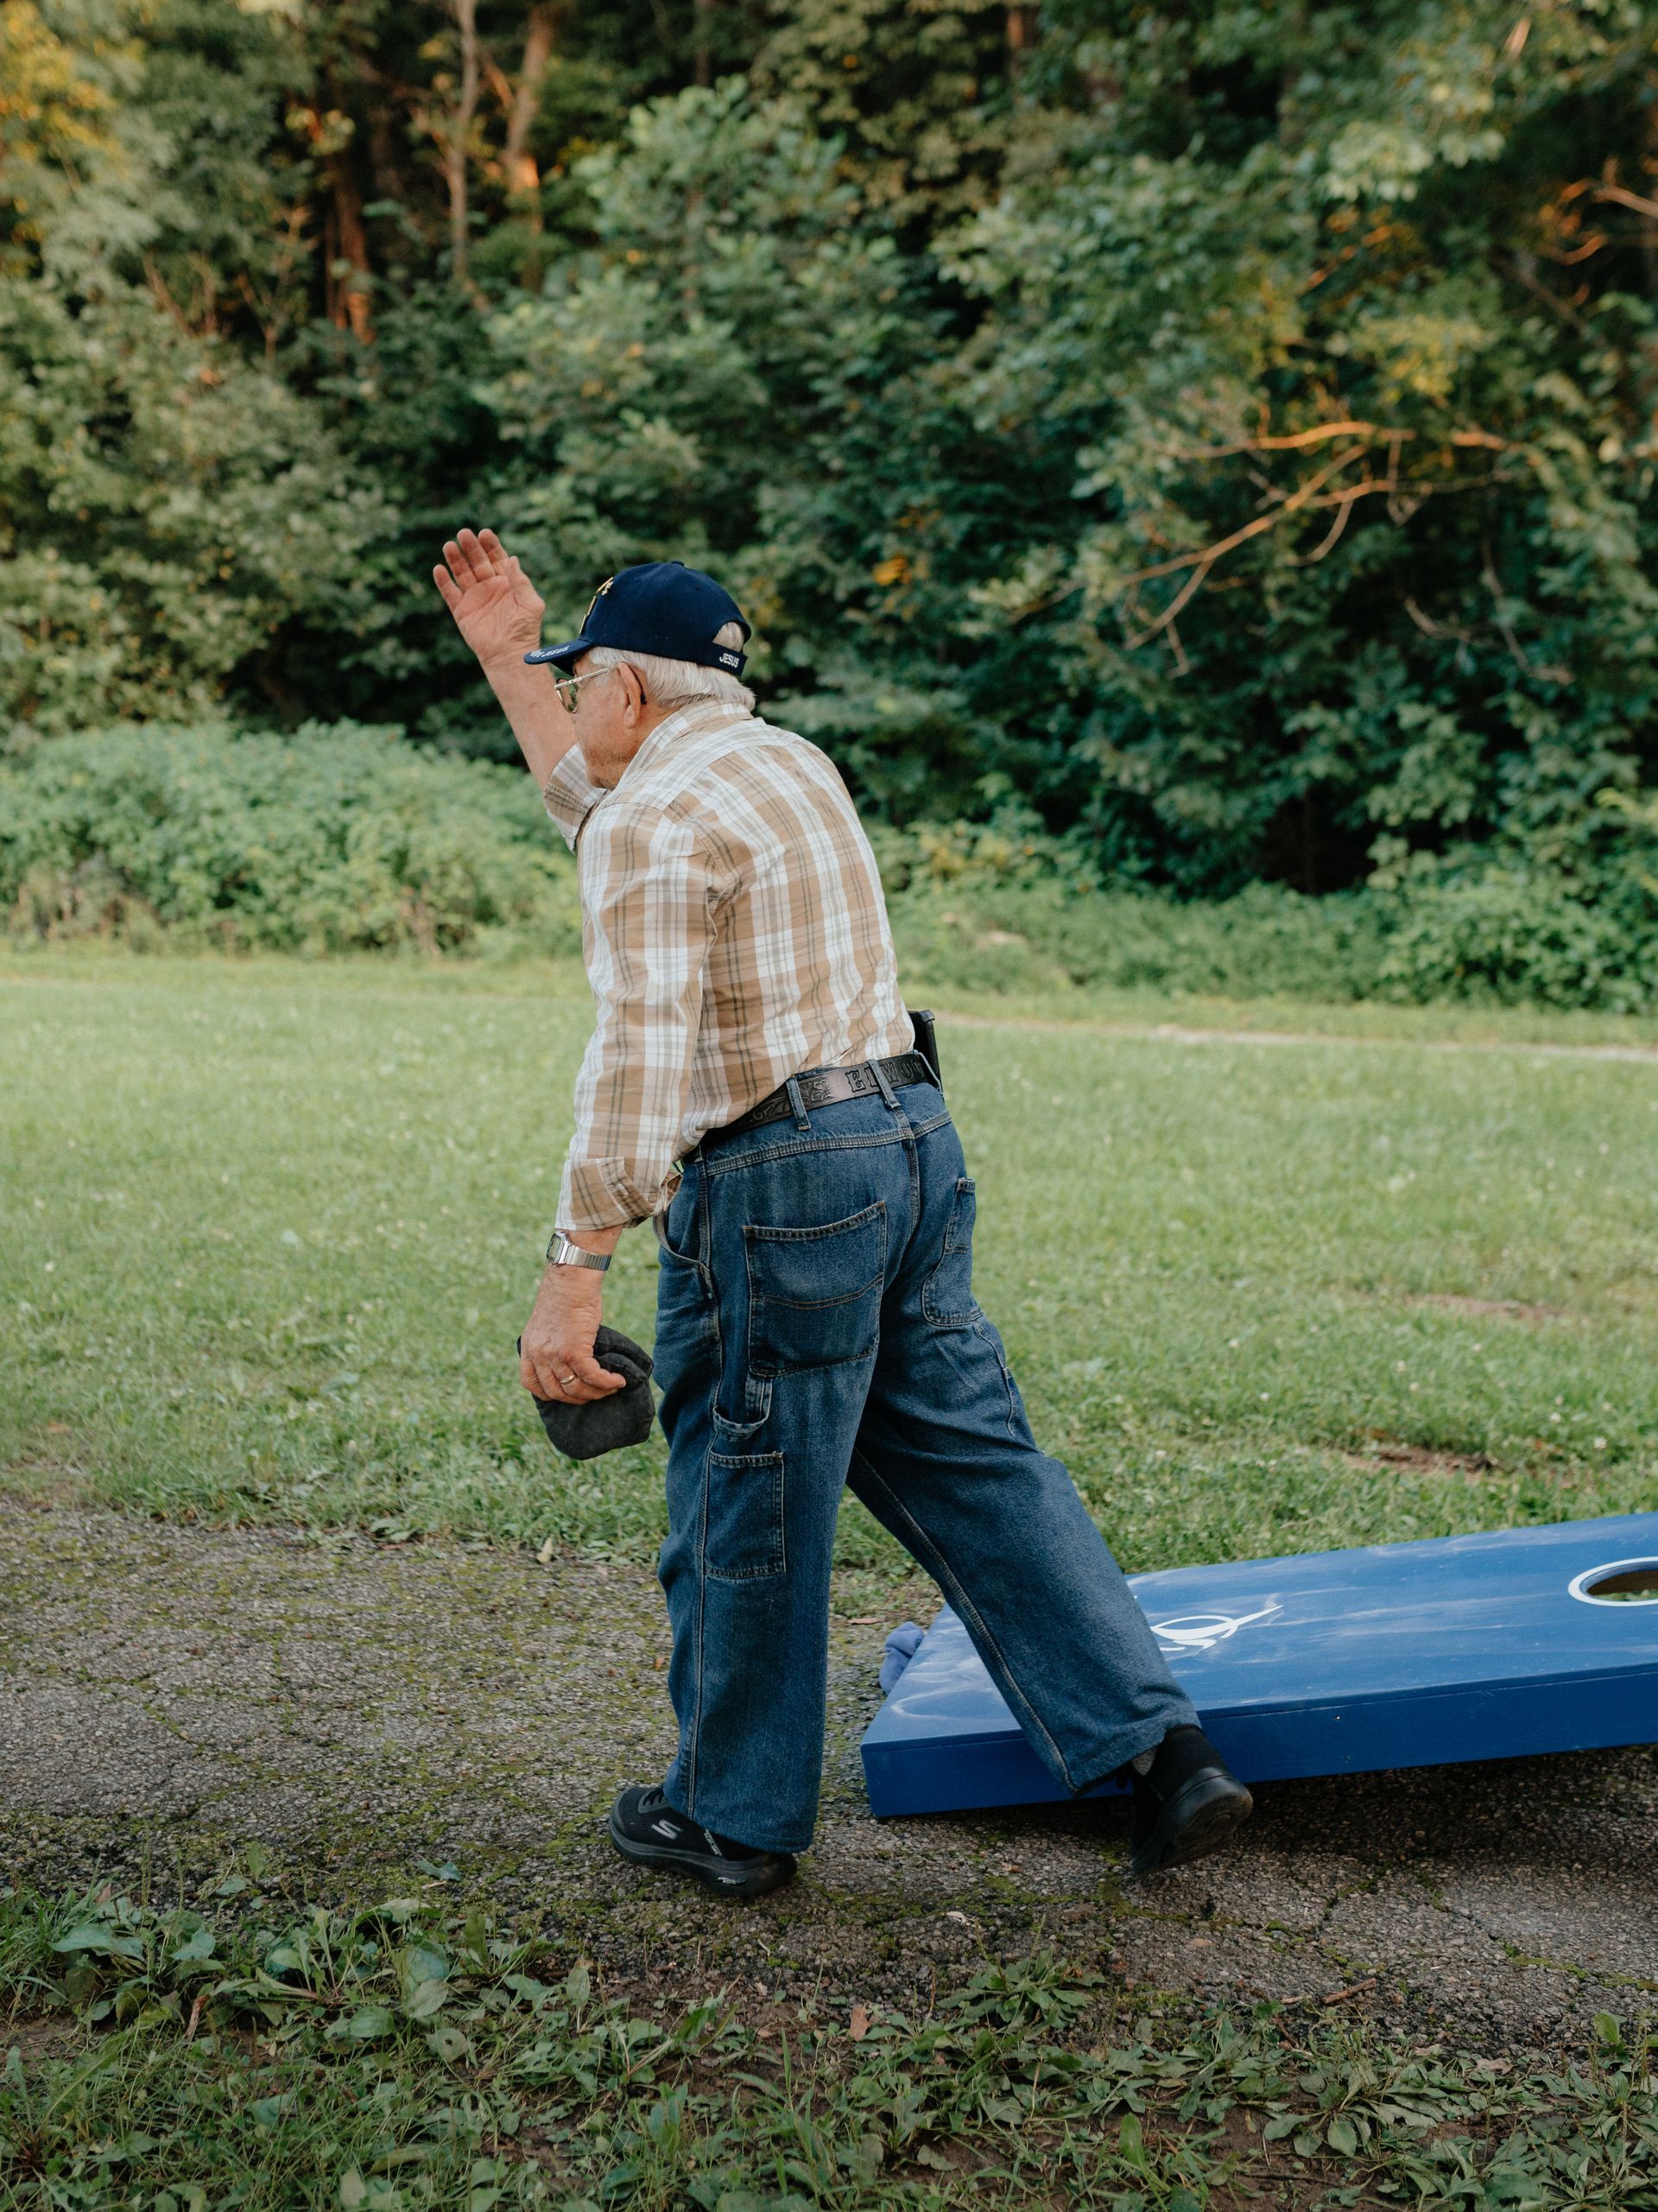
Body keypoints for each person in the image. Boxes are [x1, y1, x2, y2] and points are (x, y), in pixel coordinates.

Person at [433, 529, 1254, 1898]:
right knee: (977, 1463)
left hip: (782, 1187)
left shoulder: (656, 815)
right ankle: (1162, 1751)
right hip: (911, 1144)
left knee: (745, 1493)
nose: (569, 704)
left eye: (579, 682)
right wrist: (508, 659)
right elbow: (597, 807)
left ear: (631, 693)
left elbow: (637, 1057)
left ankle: (733, 1815)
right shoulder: (783, 763)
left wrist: (573, 1268)